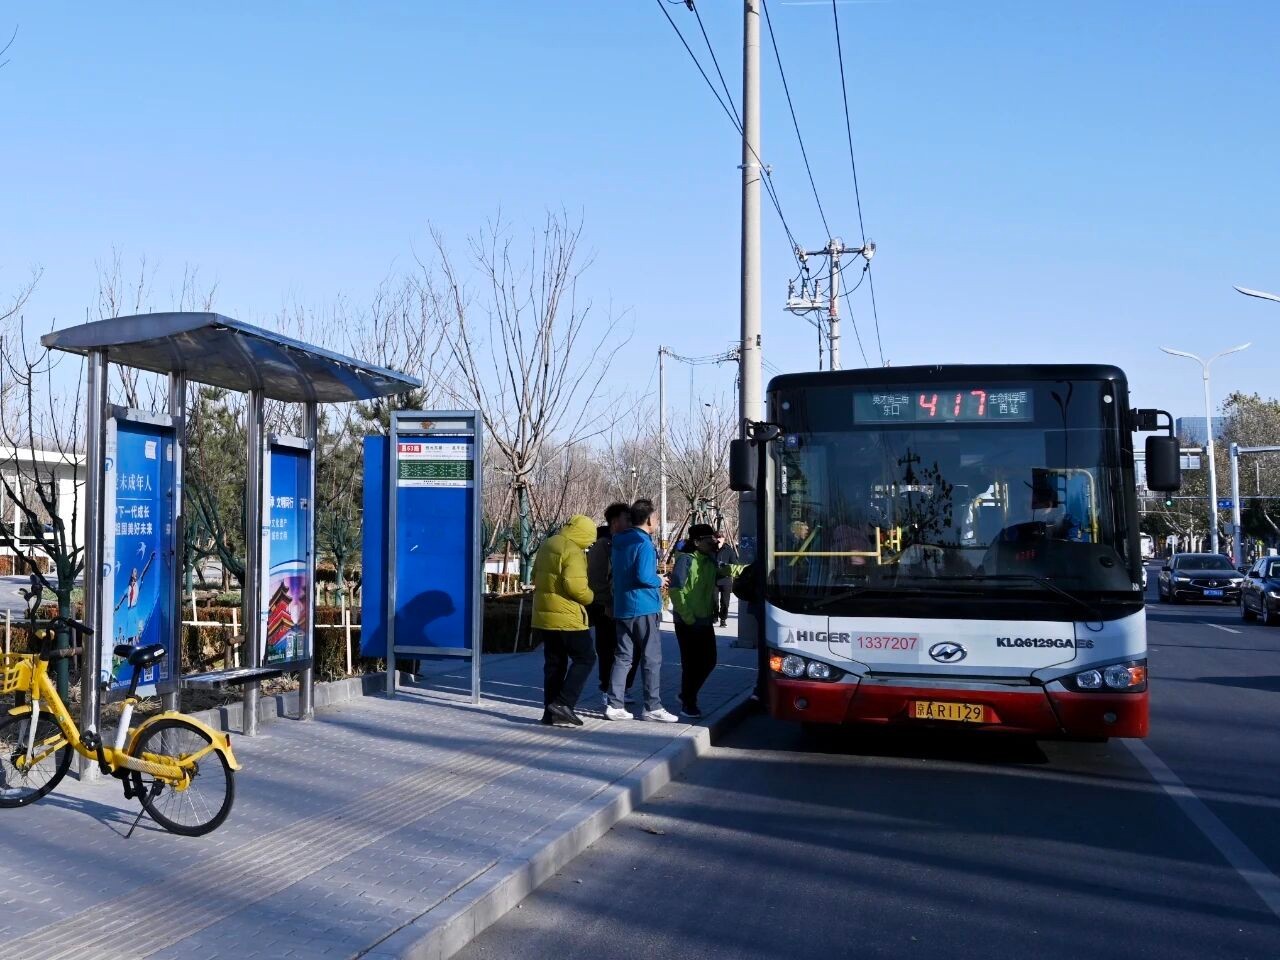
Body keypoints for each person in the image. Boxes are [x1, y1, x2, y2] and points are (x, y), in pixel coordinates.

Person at [606, 498, 677, 723]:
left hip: (623, 606)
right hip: (644, 607)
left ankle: (614, 705)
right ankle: (652, 706)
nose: (657, 521)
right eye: (656, 517)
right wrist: (659, 580)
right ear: (648, 519)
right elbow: (644, 576)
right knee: (651, 658)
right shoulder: (643, 543)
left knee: (623, 657)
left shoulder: (619, 540)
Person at [531, 514, 597, 727]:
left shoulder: (548, 543)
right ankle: (563, 703)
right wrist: (591, 597)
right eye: (591, 539)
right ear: (584, 534)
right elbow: (576, 587)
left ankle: (549, 714)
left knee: (554, 664)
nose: (591, 543)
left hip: (544, 615)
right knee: (585, 658)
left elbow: (534, 575)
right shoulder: (573, 550)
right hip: (567, 616)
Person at [586, 503, 638, 705]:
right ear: (615, 522)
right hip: (607, 607)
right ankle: (607, 688)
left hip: (625, 605)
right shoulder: (603, 545)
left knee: (629, 648)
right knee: (608, 648)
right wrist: (606, 603)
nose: (631, 523)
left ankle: (623, 687)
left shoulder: (625, 543)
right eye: (627, 519)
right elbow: (597, 579)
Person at [671, 524, 721, 718]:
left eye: (713, 539)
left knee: (710, 661)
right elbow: (675, 590)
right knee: (691, 664)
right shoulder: (685, 560)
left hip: (705, 620)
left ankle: (686, 695)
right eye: (709, 540)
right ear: (697, 541)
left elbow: (723, 572)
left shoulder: (709, 560)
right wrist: (688, 618)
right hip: (687, 622)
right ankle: (688, 703)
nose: (713, 543)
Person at [713, 533, 739, 628]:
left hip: (726, 579)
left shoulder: (728, 550)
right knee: (714, 600)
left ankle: (723, 619)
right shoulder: (711, 550)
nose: (718, 539)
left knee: (725, 602)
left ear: (724, 539)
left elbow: (735, 563)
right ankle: (715, 616)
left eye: (720, 537)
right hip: (713, 579)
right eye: (716, 537)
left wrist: (726, 566)